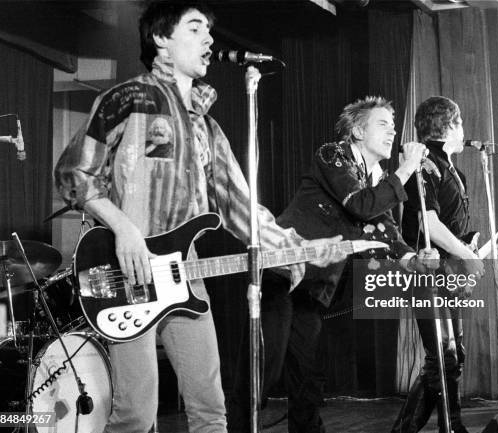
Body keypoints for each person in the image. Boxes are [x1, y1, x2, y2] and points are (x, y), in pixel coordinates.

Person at [54, 2, 345, 432]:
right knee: (136, 413)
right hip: (127, 274)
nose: (209, 39)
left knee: (211, 409)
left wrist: (296, 248)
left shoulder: (207, 127)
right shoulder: (126, 99)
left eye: (209, 30)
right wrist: (124, 227)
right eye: (195, 28)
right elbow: (73, 172)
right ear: (160, 39)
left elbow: (240, 208)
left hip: (185, 277)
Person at [228, 96, 440, 433]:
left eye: (394, 126)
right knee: (263, 368)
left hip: (314, 285)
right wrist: (406, 169)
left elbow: (386, 231)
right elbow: (360, 205)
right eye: (383, 124)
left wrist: (413, 260)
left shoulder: (376, 178)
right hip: (283, 270)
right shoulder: (332, 154)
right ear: (357, 130)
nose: (393, 132)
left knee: (308, 375)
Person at [390, 96, 498, 433]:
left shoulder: (452, 170)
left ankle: (448, 427)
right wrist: (468, 256)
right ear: (449, 125)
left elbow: (449, 228)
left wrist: (472, 246)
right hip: (427, 272)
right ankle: (447, 428)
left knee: (449, 358)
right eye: (461, 124)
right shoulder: (424, 163)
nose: (464, 131)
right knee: (442, 358)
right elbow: (428, 223)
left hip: (447, 273)